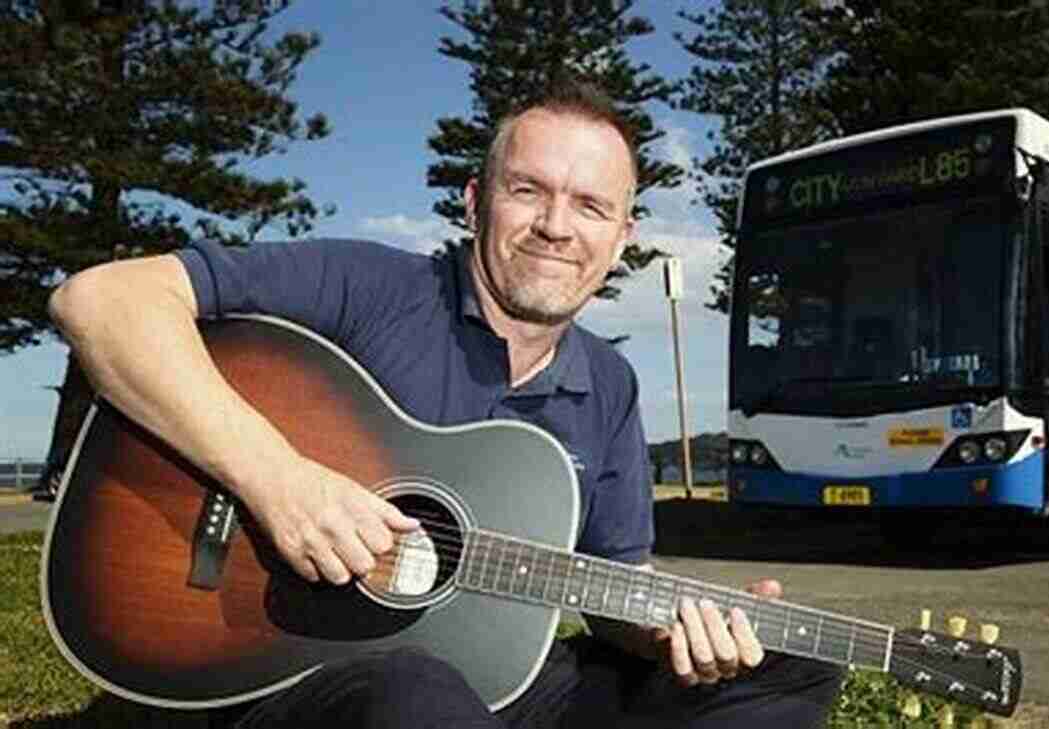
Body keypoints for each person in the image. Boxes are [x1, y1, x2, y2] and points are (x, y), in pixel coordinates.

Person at [48, 79, 844, 728]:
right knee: (416, 692)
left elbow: (611, 586)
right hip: (277, 675)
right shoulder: (369, 288)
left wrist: (673, 626)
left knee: (798, 662)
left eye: (591, 206)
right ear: (474, 201)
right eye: (528, 190)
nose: (556, 226)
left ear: (623, 234)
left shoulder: (609, 383)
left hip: (486, 689)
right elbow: (101, 302)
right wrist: (279, 481)